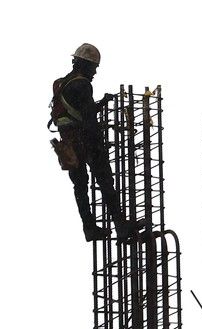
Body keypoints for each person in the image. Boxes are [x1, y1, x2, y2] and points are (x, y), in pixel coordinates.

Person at [49, 43, 140, 242]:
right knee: (106, 182)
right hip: (86, 143)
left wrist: (100, 104)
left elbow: (77, 111)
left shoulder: (62, 83)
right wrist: (100, 144)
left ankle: (89, 228)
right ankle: (121, 226)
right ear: (85, 65)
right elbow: (89, 120)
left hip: (68, 144)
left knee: (80, 187)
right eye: (94, 67)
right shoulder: (82, 85)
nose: (95, 72)